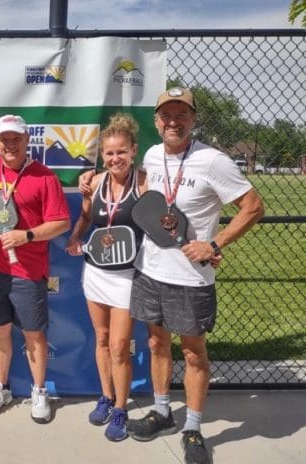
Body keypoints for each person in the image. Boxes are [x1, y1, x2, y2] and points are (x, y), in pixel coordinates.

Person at [126, 88, 264, 464]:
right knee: (156, 344)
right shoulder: (152, 156)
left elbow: (253, 207)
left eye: (181, 114)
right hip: (149, 269)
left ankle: (193, 427)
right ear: (156, 121)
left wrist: (215, 245)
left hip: (190, 277)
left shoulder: (212, 160)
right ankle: (161, 411)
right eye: (166, 115)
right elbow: (146, 194)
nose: (173, 121)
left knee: (193, 352)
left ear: (193, 119)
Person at [0, 115, 71, 424]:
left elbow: (62, 222)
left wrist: (26, 235)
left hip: (28, 271)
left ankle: (39, 391)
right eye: (4, 139)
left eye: (16, 139)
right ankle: (1, 388)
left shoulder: (44, 177)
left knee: (33, 335)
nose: (9, 144)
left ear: (28, 141)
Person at [65, 114, 146, 441]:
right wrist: (74, 237)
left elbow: (162, 220)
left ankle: (122, 409)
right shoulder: (95, 183)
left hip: (128, 275)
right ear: (102, 157)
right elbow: (86, 215)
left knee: (119, 345)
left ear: (133, 151)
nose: (116, 159)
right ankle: (106, 396)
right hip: (96, 271)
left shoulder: (145, 182)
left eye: (121, 152)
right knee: (100, 338)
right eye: (110, 154)